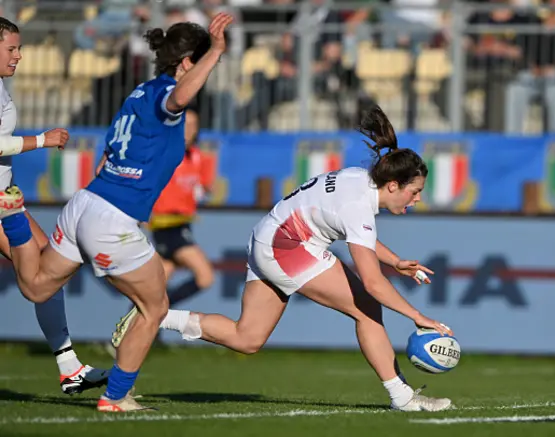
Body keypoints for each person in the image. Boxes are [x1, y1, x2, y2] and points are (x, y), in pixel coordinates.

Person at [113, 105, 454, 412]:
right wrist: (419, 317)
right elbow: (373, 282)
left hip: (266, 238)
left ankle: (156, 316)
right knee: (366, 306)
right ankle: (402, 397)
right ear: (393, 185)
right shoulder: (358, 205)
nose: (417, 199)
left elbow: (359, 237)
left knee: (247, 338)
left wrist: (394, 261)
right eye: (414, 191)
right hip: (286, 247)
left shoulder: (357, 180)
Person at [0, 13, 234, 412]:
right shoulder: (166, 94)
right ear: (186, 63)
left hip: (86, 203)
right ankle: (115, 396)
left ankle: (13, 217)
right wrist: (216, 52)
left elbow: (108, 152)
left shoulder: (139, 92)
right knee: (155, 306)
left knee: (38, 287)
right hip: (112, 215)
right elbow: (179, 97)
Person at [0, 17, 109, 395]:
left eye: (19, 48)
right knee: (38, 280)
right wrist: (41, 139)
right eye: (11, 49)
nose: (19, 56)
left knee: (47, 267)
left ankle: (69, 367)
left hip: (4, 195)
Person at [147, 108, 215, 309]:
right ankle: (161, 314)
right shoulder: (163, 153)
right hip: (166, 224)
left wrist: (204, 190)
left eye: (194, 125)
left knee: (157, 287)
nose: (190, 129)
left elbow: (204, 189)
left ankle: (140, 326)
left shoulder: (198, 157)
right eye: (186, 124)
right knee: (205, 276)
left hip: (183, 223)